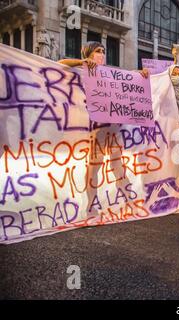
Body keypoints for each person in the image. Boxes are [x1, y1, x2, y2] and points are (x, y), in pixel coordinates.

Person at [58, 41, 148, 215]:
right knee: (94, 165)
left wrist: (141, 74)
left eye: (103, 51)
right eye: (98, 51)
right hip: (97, 127)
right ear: (89, 53)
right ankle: (91, 206)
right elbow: (59, 65)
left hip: (114, 126)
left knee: (118, 164)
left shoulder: (110, 73)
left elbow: (130, 77)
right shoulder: (84, 70)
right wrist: (80, 62)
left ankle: (130, 201)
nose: (102, 53)